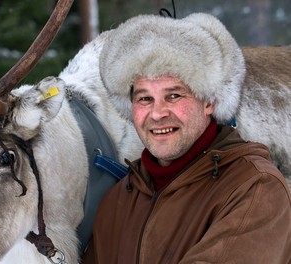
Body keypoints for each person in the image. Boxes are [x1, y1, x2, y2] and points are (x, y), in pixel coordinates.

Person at [82, 13, 291, 263]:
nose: (157, 114)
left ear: (209, 102)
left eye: (174, 96)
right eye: (145, 99)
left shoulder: (256, 189)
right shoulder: (118, 201)